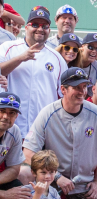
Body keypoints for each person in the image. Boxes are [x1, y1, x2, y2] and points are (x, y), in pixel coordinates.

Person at [23, 68, 97, 199]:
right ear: (63, 89)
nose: (82, 91)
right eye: (76, 87)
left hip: (84, 183)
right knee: (24, 172)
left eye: (84, 86)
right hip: (52, 180)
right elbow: (28, 152)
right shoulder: (48, 113)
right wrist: (55, 176)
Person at [0, 7, 66, 135]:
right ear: (26, 27)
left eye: (44, 26)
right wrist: (20, 58)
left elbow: (62, 95)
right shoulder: (8, 48)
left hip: (43, 129)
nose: (40, 29)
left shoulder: (57, 58)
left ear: (49, 30)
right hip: (10, 126)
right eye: (35, 24)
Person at [0, 92, 28, 199]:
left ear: (16, 116)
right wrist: (4, 194)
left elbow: (14, 169)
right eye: (1, 111)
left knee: (17, 189)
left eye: (11, 112)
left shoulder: (14, 131)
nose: (6, 116)